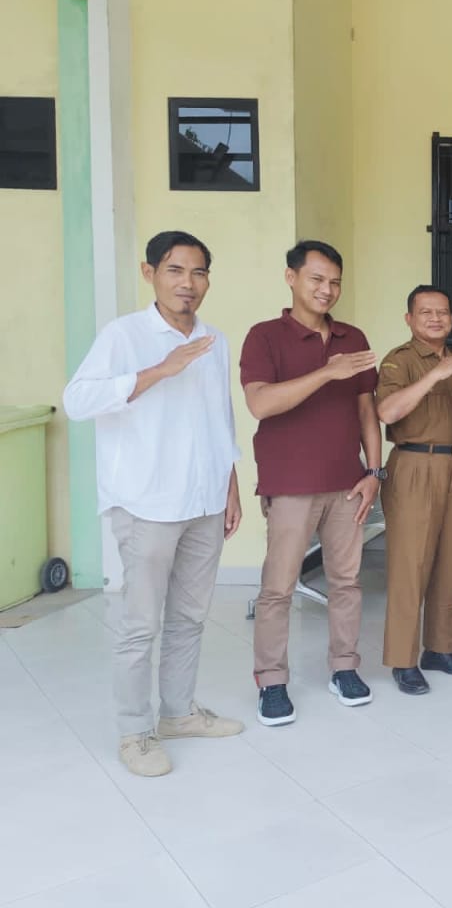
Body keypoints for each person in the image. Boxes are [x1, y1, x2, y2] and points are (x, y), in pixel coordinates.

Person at [64, 230, 244, 777]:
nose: (188, 283)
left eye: (198, 272)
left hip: (204, 500)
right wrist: (159, 370)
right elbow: (77, 400)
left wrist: (230, 485)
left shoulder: (214, 339)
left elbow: (220, 417)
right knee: (140, 625)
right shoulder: (124, 335)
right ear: (150, 273)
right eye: (175, 270)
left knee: (189, 617)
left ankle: (178, 713)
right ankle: (133, 732)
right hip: (146, 503)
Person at [240, 240, 382, 727]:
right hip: (290, 485)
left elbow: (366, 411)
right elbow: (260, 403)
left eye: (335, 282)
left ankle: (345, 668)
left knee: (347, 583)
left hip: (347, 484)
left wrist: (374, 472)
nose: (327, 290)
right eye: (317, 279)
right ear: (292, 278)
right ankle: (271, 680)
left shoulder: (352, 337)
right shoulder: (264, 337)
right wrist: (327, 372)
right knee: (278, 587)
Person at [375, 285, 452, 696]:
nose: (436, 318)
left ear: (451, 318)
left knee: (451, 563)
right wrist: (434, 375)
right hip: (414, 464)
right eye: (426, 312)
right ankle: (403, 659)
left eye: (442, 312)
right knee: (410, 566)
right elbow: (388, 412)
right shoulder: (399, 361)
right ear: (409, 319)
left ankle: (440, 648)